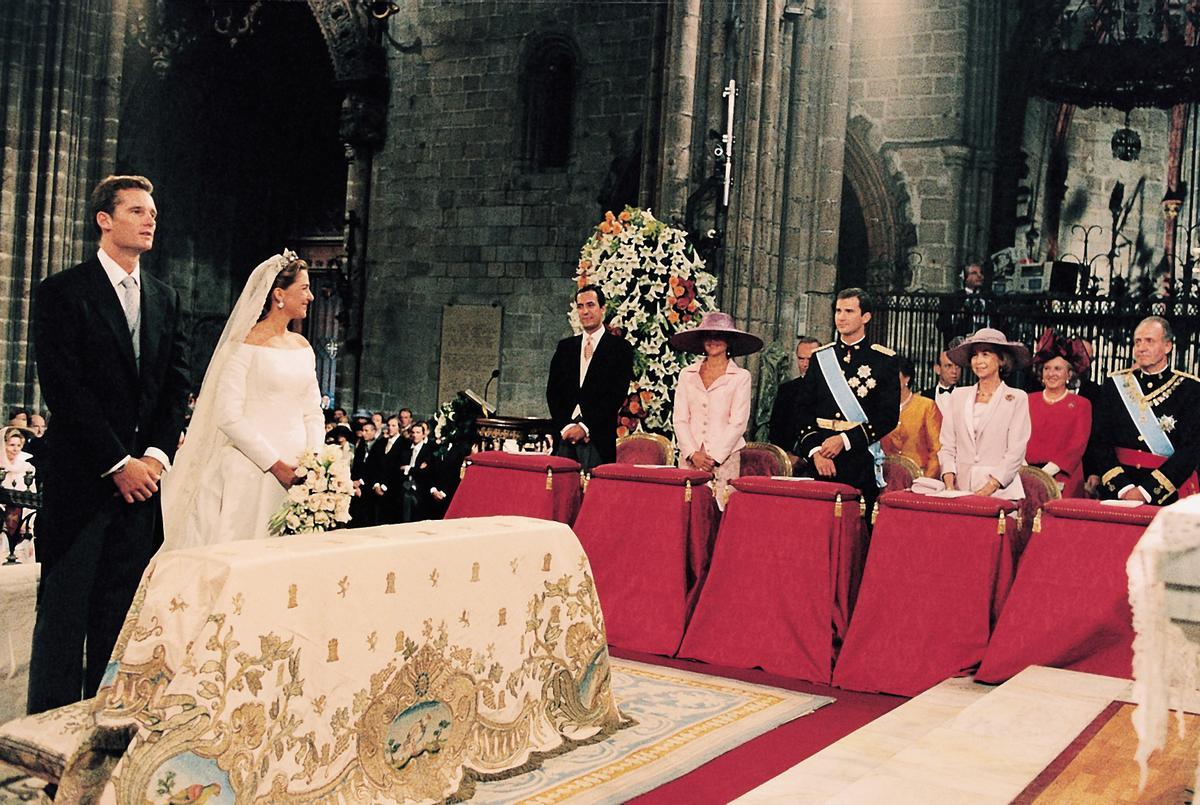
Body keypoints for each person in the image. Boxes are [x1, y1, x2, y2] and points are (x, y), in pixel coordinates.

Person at [28, 174, 191, 713]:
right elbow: (63, 388)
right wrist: (118, 461)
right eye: (138, 211)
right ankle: (45, 742)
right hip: (83, 483)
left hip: (142, 491)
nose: (151, 220)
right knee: (63, 622)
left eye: (154, 212)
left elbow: (175, 387)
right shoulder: (62, 292)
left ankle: (102, 730)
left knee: (118, 624)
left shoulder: (165, 298)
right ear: (105, 219)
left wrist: (154, 458)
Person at [160, 252, 323, 552]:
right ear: (278, 295)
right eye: (304, 288)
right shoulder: (243, 347)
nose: (310, 296)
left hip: (300, 477)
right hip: (253, 470)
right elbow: (228, 415)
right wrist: (275, 465)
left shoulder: (303, 347)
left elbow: (312, 410)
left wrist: (313, 460)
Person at [794, 288, 900, 514]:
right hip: (820, 460)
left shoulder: (884, 360)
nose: (840, 317)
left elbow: (888, 417)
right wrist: (814, 452)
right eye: (838, 310)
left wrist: (844, 440)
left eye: (849, 311)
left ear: (866, 317)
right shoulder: (821, 358)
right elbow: (802, 410)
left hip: (859, 460)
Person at [1087, 316, 1200, 504]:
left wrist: (1147, 491)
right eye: (1137, 341)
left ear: (1167, 347)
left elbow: (1191, 449)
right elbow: (1099, 441)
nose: (1141, 347)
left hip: (1166, 492)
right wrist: (1123, 487)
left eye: (1149, 341)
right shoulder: (1114, 385)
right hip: (1119, 490)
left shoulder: (1189, 389)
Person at [669, 311, 761, 505]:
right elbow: (680, 419)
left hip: (724, 459)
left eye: (719, 336)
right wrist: (693, 453)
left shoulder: (741, 376)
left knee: (719, 509)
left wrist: (713, 457)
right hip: (690, 459)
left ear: (729, 341)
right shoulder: (687, 374)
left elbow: (738, 422)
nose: (713, 341)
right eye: (708, 336)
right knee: (688, 509)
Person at [546, 284, 635, 472]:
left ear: (602, 309)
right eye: (580, 306)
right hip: (564, 438)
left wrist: (585, 427)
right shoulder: (565, 347)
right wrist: (566, 426)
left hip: (597, 439)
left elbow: (615, 395)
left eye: (590, 305)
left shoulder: (620, 348)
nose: (585, 311)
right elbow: (553, 392)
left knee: (594, 496)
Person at [937, 328, 1031, 499]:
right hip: (960, 490)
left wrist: (989, 488)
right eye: (975, 355)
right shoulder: (958, 396)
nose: (978, 361)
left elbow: (1015, 452)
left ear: (1002, 360)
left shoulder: (1017, 398)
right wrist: (949, 485)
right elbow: (947, 446)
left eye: (985, 354)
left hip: (1002, 493)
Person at [1026, 329, 1093, 498]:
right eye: (1047, 368)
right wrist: (1026, 470)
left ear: (1069, 374)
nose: (1051, 374)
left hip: (1064, 478)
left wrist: (1046, 473)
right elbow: (1016, 436)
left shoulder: (1081, 405)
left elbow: (1077, 445)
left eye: (1058, 369)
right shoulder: (1027, 400)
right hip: (1026, 475)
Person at [881, 356, 942, 478]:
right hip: (885, 479)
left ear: (906, 378)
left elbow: (937, 450)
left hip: (920, 478)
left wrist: (925, 482)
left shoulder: (926, 406)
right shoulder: (879, 407)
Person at [768, 335, 820, 465]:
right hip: (790, 459)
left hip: (821, 459)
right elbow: (776, 427)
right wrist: (786, 454)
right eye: (801, 359)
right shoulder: (786, 390)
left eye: (810, 359)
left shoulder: (831, 391)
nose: (805, 364)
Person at [920, 346, 963, 414]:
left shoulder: (967, 395)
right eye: (948, 366)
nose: (954, 371)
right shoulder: (925, 396)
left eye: (958, 366)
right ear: (937, 369)